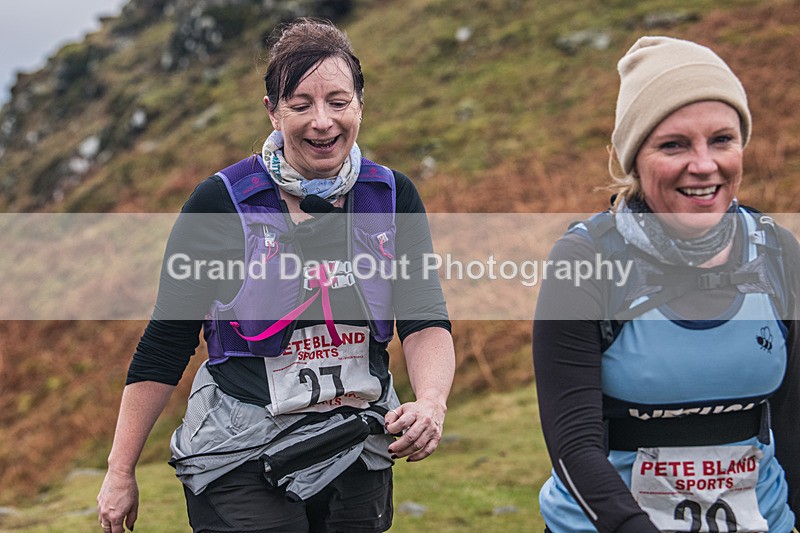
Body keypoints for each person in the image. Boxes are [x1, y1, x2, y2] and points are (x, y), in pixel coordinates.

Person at [97, 18, 455, 533]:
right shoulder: (218, 204)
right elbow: (166, 343)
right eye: (301, 104)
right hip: (240, 452)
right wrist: (119, 471)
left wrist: (432, 404)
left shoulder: (392, 198)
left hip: (355, 443)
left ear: (360, 104)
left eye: (337, 101)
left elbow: (424, 320)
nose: (322, 123)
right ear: (272, 110)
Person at [533, 36, 800, 532]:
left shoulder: (778, 254)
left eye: (721, 139)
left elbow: (793, 421)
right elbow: (574, 445)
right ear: (634, 158)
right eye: (673, 144)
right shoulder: (586, 259)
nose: (703, 165)